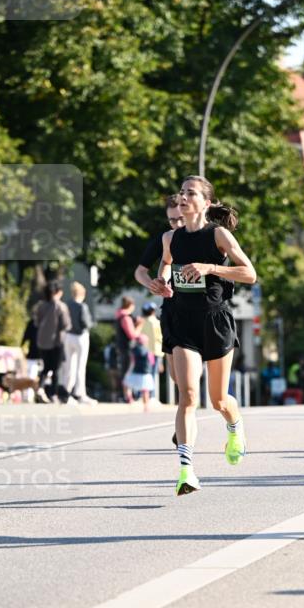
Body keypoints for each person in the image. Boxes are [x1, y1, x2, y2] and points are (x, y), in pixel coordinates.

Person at [148, 175, 257, 496]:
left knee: (219, 400)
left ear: (206, 203)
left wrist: (211, 268)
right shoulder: (171, 238)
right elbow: (165, 266)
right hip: (183, 321)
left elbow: (249, 273)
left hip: (216, 320)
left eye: (190, 193)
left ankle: (234, 427)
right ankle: (186, 471)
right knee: (188, 397)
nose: (183, 197)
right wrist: (161, 282)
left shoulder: (218, 235)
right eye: (181, 192)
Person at [135, 194, 185, 399]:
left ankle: (185, 423)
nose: (178, 224)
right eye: (173, 220)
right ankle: (187, 415)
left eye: (181, 218)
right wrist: (154, 285)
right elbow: (140, 272)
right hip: (172, 309)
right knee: (176, 375)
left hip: (201, 310)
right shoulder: (166, 239)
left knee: (190, 378)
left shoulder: (207, 237)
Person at [33, 281, 71, 402]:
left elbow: (36, 322)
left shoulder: (40, 305)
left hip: (42, 341)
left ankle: (40, 388)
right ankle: (53, 394)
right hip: (56, 342)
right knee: (55, 369)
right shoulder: (60, 306)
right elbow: (66, 325)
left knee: (45, 368)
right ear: (58, 292)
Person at [62, 282, 95, 404]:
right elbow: (86, 323)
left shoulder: (67, 305)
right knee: (80, 367)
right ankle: (80, 394)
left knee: (69, 366)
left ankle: (66, 392)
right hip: (81, 337)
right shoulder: (82, 306)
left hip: (68, 336)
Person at [123, 318, 156, 411]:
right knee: (145, 391)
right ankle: (146, 406)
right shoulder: (149, 352)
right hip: (146, 374)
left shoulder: (134, 350)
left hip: (135, 372)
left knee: (126, 384)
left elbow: (132, 362)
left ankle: (129, 398)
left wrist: (128, 372)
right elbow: (152, 362)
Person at [115, 296, 137, 402]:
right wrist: (139, 326)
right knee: (128, 372)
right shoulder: (126, 318)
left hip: (121, 347)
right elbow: (132, 335)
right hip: (128, 348)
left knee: (124, 371)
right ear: (130, 305)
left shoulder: (119, 316)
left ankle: (125, 395)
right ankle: (127, 396)